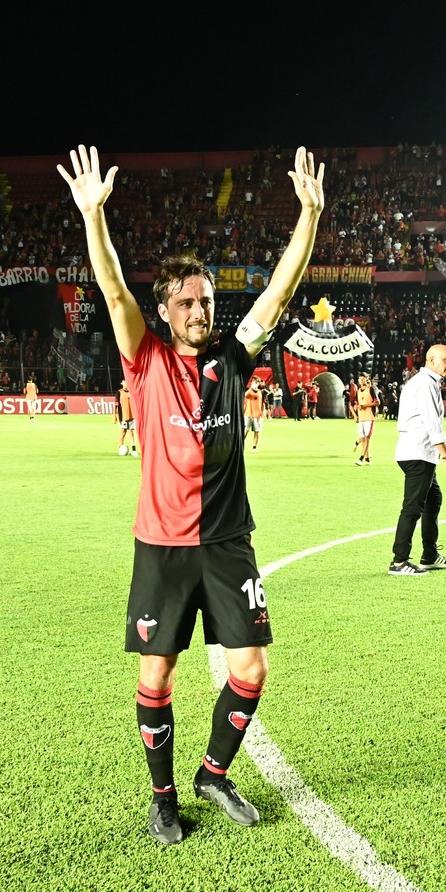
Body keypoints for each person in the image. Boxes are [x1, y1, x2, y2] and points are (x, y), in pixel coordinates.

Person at [58, 143, 325, 846]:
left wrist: (308, 214)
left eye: (206, 299)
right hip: (163, 546)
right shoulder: (144, 358)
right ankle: (162, 795)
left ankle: (213, 770)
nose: (202, 309)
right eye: (188, 301)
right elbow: (113, 289)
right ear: (166, 309)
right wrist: (94, 217)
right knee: (157, 674)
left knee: (251, 667)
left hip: (227, 543)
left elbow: (279, 292)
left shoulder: (233, 360)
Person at [389, 345, 446, 575]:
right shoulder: (425, 384)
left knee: (433, 499)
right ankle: (399, 561)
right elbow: (432, 424)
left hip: (419, 452)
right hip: (418, 453)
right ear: (431, 359)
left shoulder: (425, 382)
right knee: (413, 507)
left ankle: (429, 555)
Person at [353, 374, 378, 466]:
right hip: (361, 417)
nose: (361, 380)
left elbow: (377, 402)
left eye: (363, 379)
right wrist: (356, 410)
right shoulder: (358, 391)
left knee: (367, 437)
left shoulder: (370, 389)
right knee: (363, 438)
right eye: (360, 379)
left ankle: (361, 458)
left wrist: (365, 406)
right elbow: (355, 403)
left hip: (369, 417)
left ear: (366, 379)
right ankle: (367, 458)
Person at [243, 376, 265, 452]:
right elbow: (245, 395)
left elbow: (261, 403)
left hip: (257, 415)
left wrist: (262, 413)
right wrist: (251, 388)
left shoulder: (260, 392)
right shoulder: (249, 392)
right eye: (254, 382)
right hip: (248, 414)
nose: (256, 384)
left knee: (257, 432)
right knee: (246, 431)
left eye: (257, 382)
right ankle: (240, 445)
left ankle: (254, 447)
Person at [117, 382, 138, 456]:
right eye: (125, 382)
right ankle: (120, 448)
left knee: (131, 432)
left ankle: (134, 450)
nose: (127, 384)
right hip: (124, 416)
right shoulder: (119, 392)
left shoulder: (131, 392)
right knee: (123, 432)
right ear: (122, 383)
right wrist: (117, 417)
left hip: (131, 416)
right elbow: (117, 405)